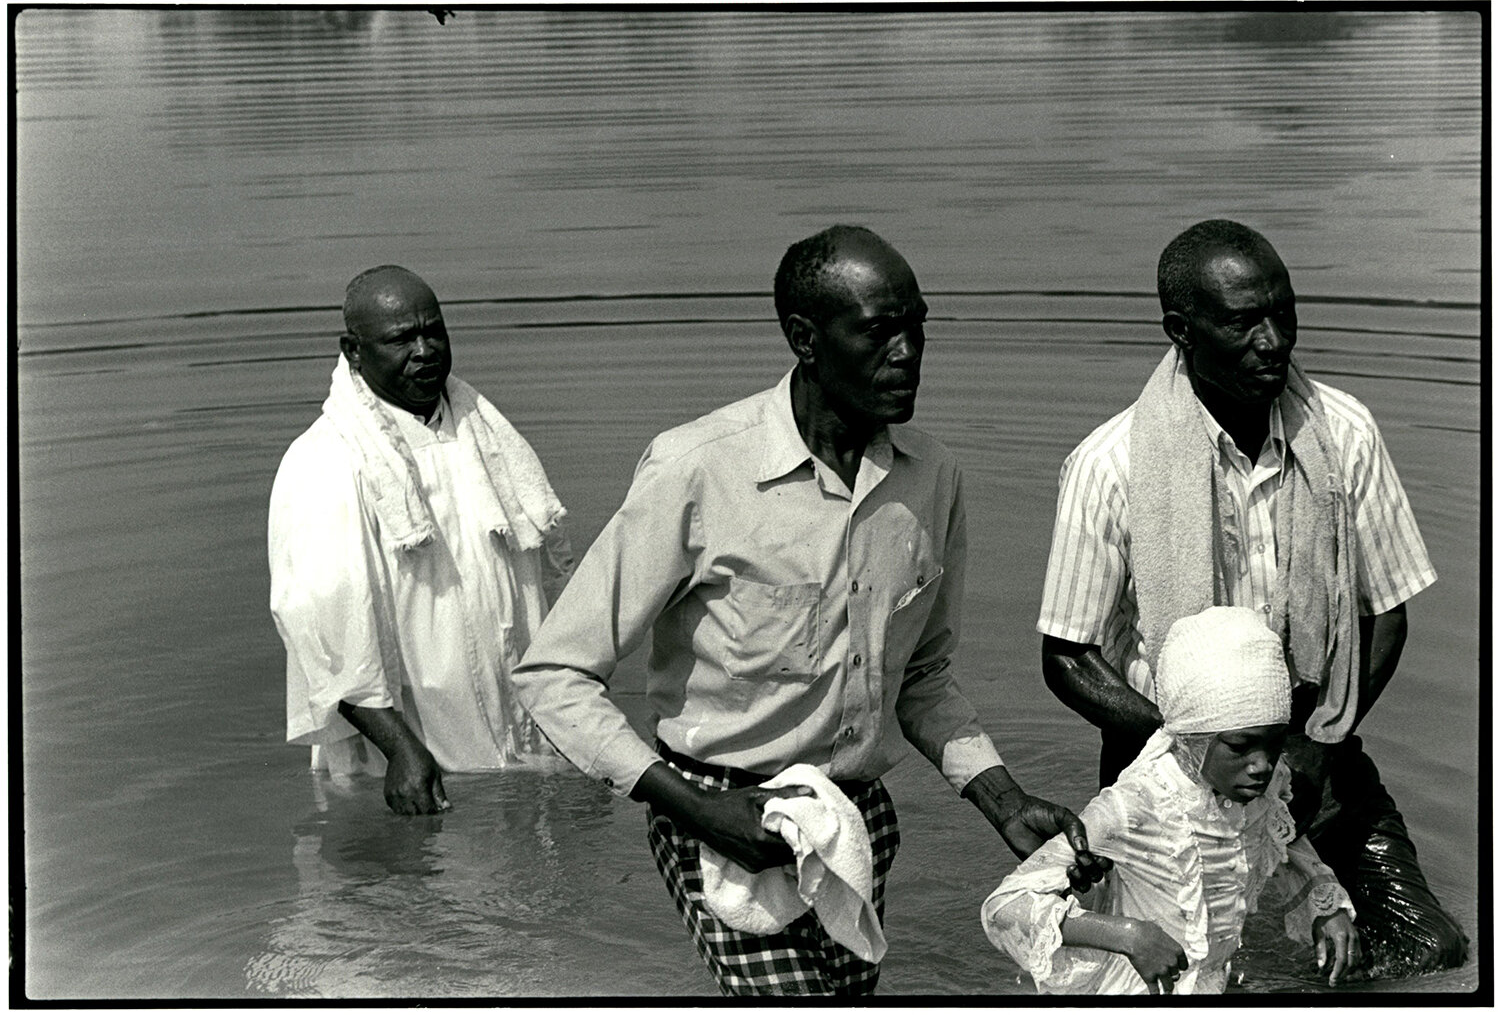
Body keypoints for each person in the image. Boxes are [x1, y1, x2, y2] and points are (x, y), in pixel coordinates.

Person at [511, 225, 1107, 996]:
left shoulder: (930, 479)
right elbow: (555, 672)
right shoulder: (697, 470)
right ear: (805, 338)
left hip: (859, 819)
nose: (907, 352)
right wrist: (696, 809)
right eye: (879, 331)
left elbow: (920, 677)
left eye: (916, 325)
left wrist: (1003, 800)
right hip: (724, 817)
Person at [1036, 219, 1467, 976]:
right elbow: (1067, 655)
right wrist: (1195, 746)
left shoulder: (1343, 434)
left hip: (1311, 741)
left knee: (1428, 952)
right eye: (1243, 322)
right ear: (1182, 331)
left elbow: (1386, 612)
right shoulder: (1110, 465)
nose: (1274, 341)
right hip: (1162, 756)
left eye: (1283, 312)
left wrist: (1316, 741)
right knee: (1176, 973)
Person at [269, 265, 574, 816]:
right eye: (401, 339)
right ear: (353, 351)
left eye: (434, 331)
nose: (425, 350)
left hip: (517, 735)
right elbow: (322, 628)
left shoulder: (485, 435)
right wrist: (401, 750)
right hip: (404, 759)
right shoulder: (326, 462)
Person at [983, 606, 1361, 994]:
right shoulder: (1138, 803)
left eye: (1274, 742)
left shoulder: (1264, 785)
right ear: (1192, 737)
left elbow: (1282, 836)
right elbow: (1005, 906)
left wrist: (1324, 902)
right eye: (1240, 746)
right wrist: (1129, 936)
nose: (1262, 765)